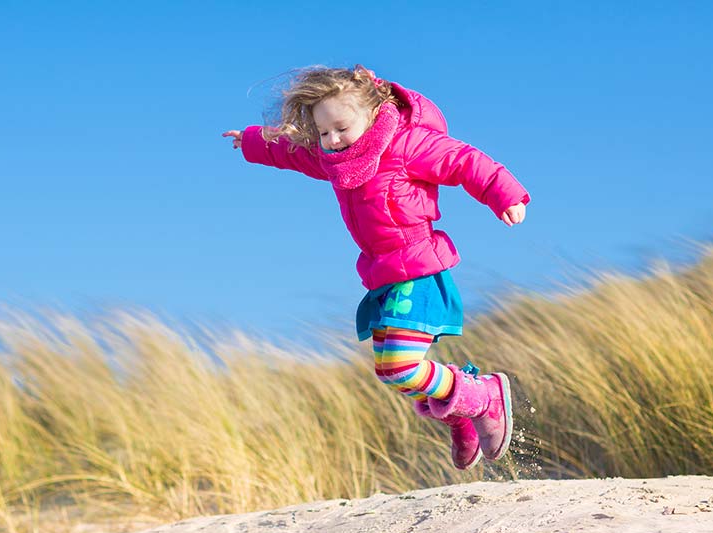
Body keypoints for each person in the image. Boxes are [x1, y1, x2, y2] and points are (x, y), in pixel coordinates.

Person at [222, 65, 530, 470]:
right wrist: (252, 141)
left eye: (341, 128)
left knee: (400, 366)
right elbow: (292, 153)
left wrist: (503, 194)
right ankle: (459, 413)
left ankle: (484, 395)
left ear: (373, 110)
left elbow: (463, 160)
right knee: (391, 372)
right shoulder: (334, 159)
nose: (332, 139)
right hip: (383, 275)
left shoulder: (407, 144)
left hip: (419, 268)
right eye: (324, 132)